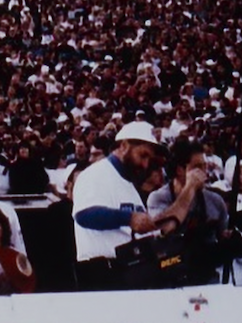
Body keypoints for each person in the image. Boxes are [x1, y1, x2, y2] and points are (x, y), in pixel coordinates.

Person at [72, 120, 191, 290]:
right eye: (143, 155)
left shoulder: (129, 185)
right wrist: (129, 218)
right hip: (100, 273)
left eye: (149, 158)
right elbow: (84, 215)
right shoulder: (96, 173)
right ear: (124, 146)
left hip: (129, 271)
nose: (145, 164)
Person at [146, 140, 232, 285]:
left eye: (205, 166)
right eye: (197, 167)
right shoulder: (159, 198)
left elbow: (223, 236)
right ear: (180, 169)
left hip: (206, 276)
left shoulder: (215, 201)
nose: (204, 172)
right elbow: (164, 228)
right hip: (170, 276)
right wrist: (190, 187)